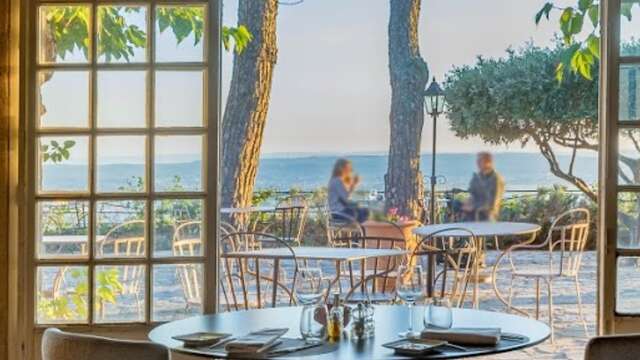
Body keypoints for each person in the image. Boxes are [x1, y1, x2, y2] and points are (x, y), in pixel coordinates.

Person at [461, 152, 505, 221]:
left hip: (486, 218)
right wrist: (467, 203)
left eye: (480, 160)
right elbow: (473, 195)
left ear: (488, 162)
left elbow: (492, 203)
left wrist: (473, 207)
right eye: (477, 160)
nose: (477, 163)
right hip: (472, 218)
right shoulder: (477, 177)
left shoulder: (495, 179)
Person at [328, 158, 369, 223]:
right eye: (348, 168)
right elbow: (345, 199)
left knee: (362, 211)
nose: (350, 170)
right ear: (341, 169)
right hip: (339, 214)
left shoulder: (334, 180)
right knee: (364, 212)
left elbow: (344, 197)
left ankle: (360, 232)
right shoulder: (337, 181)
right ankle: (361, 232)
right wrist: (354, 184)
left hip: (336, 212)